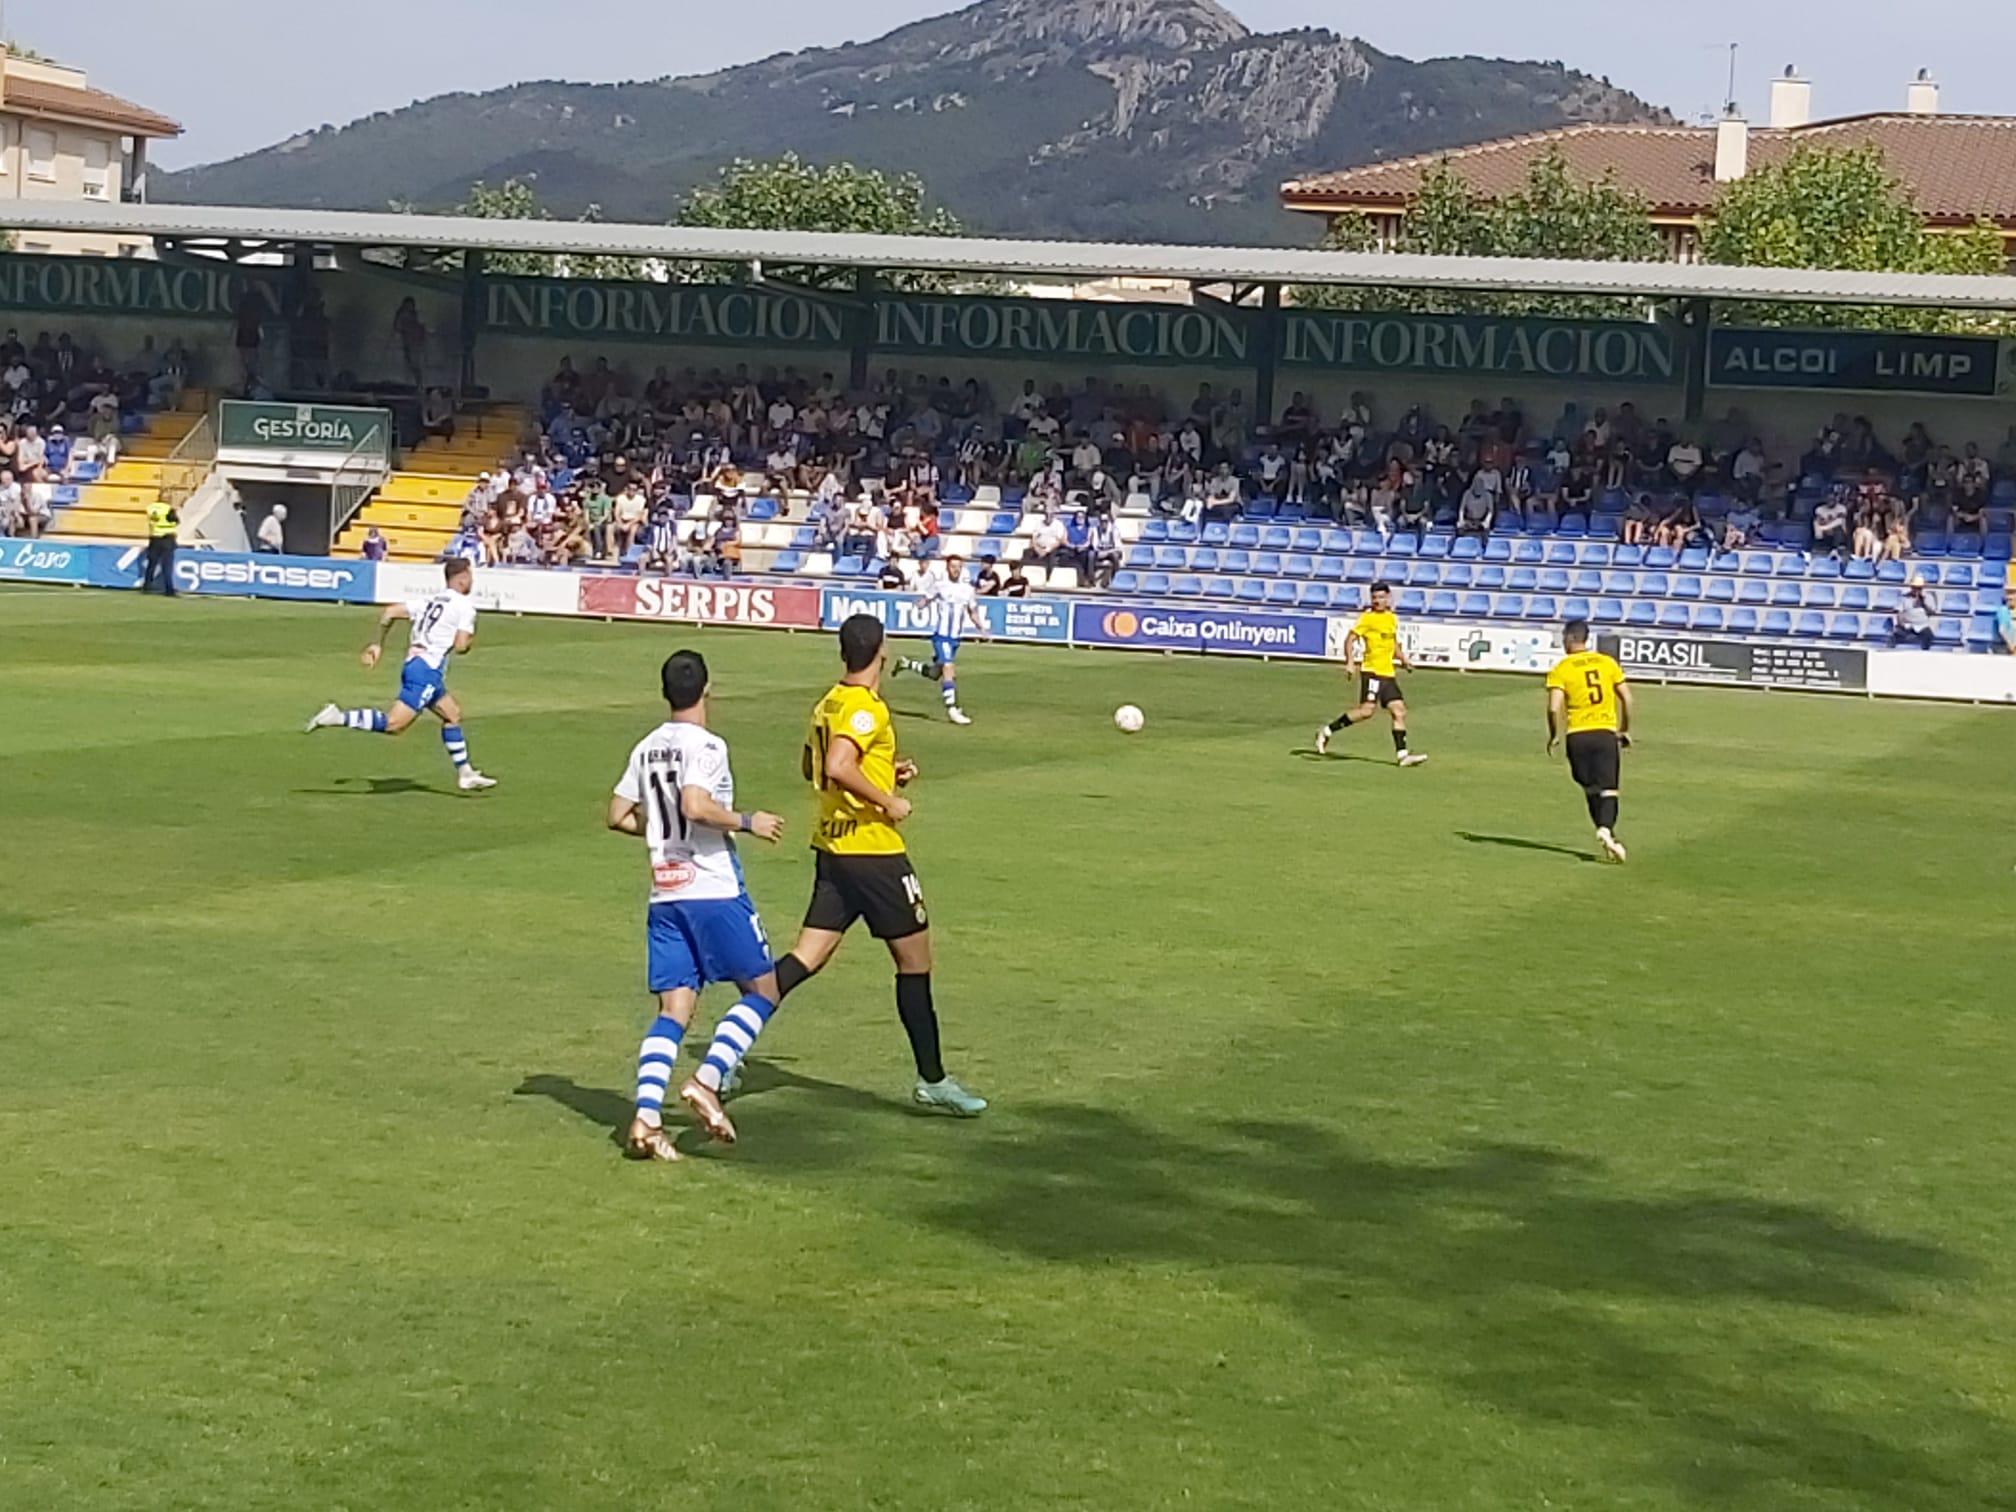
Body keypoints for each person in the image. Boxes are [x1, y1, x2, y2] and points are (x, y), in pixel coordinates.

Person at [763, 616, 986, 1116]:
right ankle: (933, 1079)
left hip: (833, 848)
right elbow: (839, 766)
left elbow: (813, 768)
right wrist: (887, 799)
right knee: (914, 963)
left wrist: (887, 770)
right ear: (880, 651)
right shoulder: (865, 708)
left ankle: (725, 1054)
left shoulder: (829, 701)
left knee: (805, 958)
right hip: (874, 855)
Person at [606, 650, 787, 1160]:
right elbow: (694, 804)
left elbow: (617, 814)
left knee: (674, 1009)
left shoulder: (646, 747)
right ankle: (707, 1080)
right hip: (712, 889)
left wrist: (660, 833)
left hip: (665, 892)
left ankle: (645, 1118)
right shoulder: (707, 745)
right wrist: (749, 821)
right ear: (708, 689)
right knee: (763, 990)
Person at [302, 556, 498, 792]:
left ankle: (465, 773)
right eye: (471, 576)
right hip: (426, 671)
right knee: (394, 724)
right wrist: (470, 642)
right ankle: (336, 717)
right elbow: (461, 646)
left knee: (452, 715)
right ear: (463, 577)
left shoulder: (430, 600)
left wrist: (377, 644)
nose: (472, 581)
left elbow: (391, 612)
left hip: (416, 665)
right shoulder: (465, 607)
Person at [1545, 619, 1633, 865]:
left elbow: (1553, 708)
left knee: (1590, 788)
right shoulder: (1607, 663)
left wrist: (1554, 734)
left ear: (1570, 639)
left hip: (1577, 736)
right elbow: (1627, 698)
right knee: (1609, 789)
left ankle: (1607, 835)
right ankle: (1605, 829)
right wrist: (1624, 729)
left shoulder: (1561, 668)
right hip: (1604, 733)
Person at [1314, 581, 1428, 767]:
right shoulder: (1367, 619)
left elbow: (1393, 644)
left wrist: (1403, 659)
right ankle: (1326, 731)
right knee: (1366, 711)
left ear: (1388, 598)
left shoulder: (1391, 618)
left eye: (1381, 597)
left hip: (1388, 673)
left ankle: (1403, 756)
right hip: (1372, 672)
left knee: (1399, 711)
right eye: (1374, 597)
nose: (1377, 601)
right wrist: (1350, 662)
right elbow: (1350, 640)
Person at [894, 554, 988, 726]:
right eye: (953, 566)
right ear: (947, 567)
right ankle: (952, 709)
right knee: (948, 667)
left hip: (955, 639)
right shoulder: (939, 586)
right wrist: (918, 605)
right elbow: (926, 599)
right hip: (941, 636)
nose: (956, 569)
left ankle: (906, 663)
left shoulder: (967, 590)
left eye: (959, 566)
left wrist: (981, 628)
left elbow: (972, 611)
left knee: (935, 673)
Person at [140, 499, 179, 595]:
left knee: (151, 564)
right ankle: (169, 589)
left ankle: (147, 586)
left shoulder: (150, 508)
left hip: (154, 539)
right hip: (167, 539)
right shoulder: (168, 509)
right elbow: (175, 521)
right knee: (167, 566)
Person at [1890, 575, 1936, 649]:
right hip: (1907, 625)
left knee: (1928, 635)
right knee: (1894, 635)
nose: (1916, 590)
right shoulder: (1904, 597)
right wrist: (1901, 624)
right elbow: (1899, 613)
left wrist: (1923, 602)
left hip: (1922, 626)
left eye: (1919, 588)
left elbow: (1931, 612)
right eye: (1915, 587)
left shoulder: (1928, 597)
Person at [1995, 584, 2016, 655]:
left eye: (2013, 594)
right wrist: (2012, 647)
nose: (2010, 598)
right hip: (2005, 648)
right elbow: (2003, 630)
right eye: (2008, 595)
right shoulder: (2003, 611)